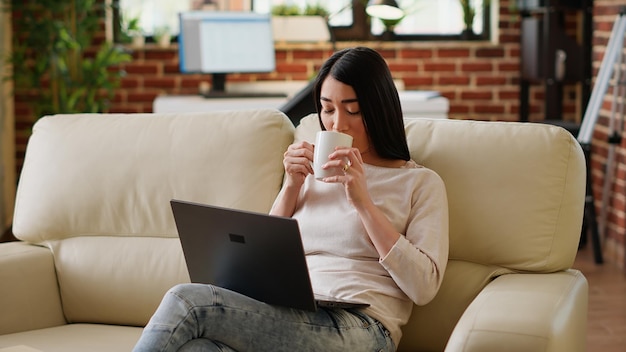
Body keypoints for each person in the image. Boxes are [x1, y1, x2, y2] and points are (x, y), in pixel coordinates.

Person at [133, 46, 448, 352]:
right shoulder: (311, 173)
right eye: (327, 109)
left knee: (187, 301)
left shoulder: (419, 183)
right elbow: (262, 256)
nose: (337, 123)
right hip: (293, 313)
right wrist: (292, 187)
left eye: (353, 110)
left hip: (363, 328)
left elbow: (423, 288)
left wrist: (363, 203)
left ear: (379, 109)